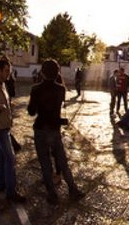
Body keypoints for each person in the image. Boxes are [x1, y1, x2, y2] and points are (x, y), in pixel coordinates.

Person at [27, 60, 85, 205]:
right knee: (62, 161)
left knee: (45, 163)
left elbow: (31, 112)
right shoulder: (61, 89)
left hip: (40, 128)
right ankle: (73, 190)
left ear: (42, 72)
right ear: (57, 72)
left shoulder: (36, 89)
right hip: (54, 128)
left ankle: (52, 194)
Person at [0, 58, 25, 203]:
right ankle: (11, 191)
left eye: (9, 71)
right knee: (10, 158)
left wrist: (8, 106)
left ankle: (0, 184)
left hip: (4, 126)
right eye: (6, 71)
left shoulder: (2, 85)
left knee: (2, 158)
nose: (8, 74)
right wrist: (0, 108)